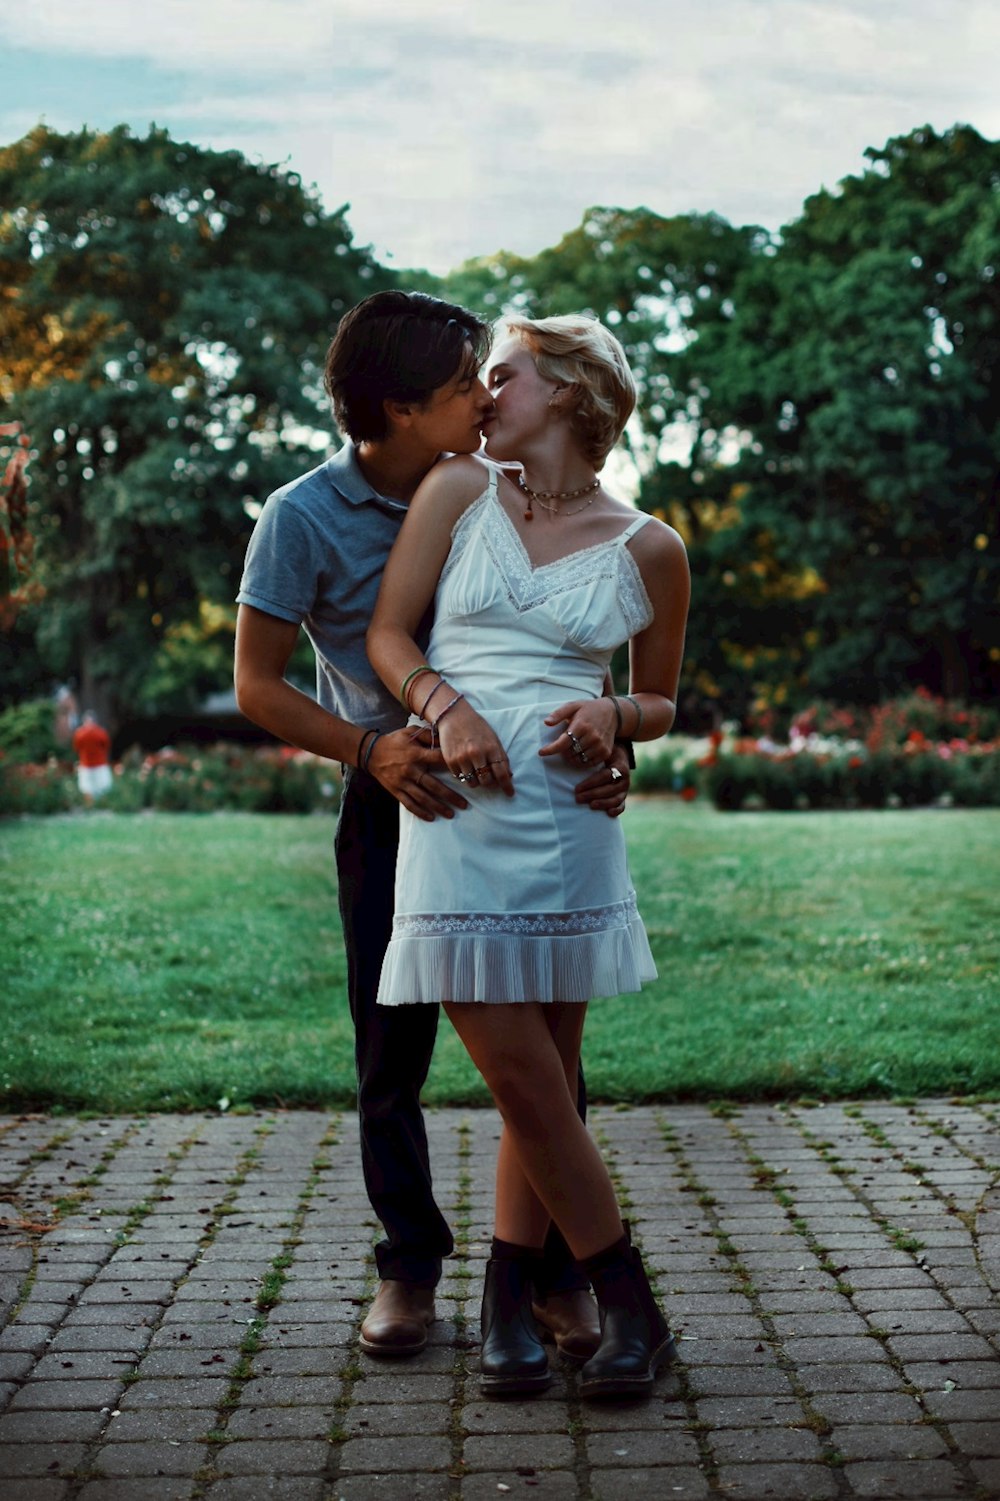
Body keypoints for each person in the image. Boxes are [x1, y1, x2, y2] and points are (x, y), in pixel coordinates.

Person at [234, 291, 630, 1362]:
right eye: (463, 384)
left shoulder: (509, 489)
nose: (482, 393)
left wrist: (613, 737)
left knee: (545, 1051)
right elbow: (257, 687)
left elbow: (576, 635)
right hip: (392, 784)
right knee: (389, 1046)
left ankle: (552, 1274)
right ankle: (408, 1270)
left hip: (518, 788)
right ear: (402, 407)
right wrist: (373, 748)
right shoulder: (302, 515)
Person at [367, 313, 691, 1399]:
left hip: (572, 826)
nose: (482, 390)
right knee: (517, 1070)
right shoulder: (458, 490)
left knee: (541, 1081)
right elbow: (388, 636)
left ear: (567, 390)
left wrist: (614, 715)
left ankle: (508, 1299)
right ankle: (631, 1302)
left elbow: (661, 697)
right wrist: (447, 707)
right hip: (458, 812)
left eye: (501, 374)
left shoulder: (650, 544)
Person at [72, 711, 113, 805]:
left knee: (89, 787)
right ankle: (99, 806)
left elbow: (76, 748)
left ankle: (93, 806)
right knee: (98, 786)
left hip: (92, 764)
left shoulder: (80, 733)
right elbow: (106, 745)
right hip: (94, 764)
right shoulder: (101, 732)